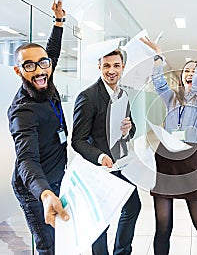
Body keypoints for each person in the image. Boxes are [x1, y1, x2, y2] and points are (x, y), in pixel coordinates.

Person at [141, 37, 197, 255]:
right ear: (180, 76)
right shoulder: (172, 98)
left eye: (194, 71)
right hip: (165, 160)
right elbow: (158, 82)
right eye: (186, 71)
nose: (190, 74)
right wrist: (158, 55)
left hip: (189, 163)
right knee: (163, 227)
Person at [7, 0, 70, 255]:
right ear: (18, 71)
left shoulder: (46, 75)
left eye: (42, 63)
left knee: (62, 238)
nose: (39, 70)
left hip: (55, 176)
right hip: (34, 189)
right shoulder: (23, 111)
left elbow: (51, 52)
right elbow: (26, 159)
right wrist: (44, 194)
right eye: (29, 66)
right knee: (48, 245)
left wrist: (58, 22)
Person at [71, 48, 141, 255]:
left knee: (132, 206)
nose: (112, 70)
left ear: (123, 68)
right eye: (107, 65)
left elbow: (132, 128)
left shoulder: (123, 94)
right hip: (100, 168)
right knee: (100, 219)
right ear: (99, 67)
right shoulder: (88, 97)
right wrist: (100, 157)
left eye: (116, 66)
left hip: (121, 164)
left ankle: (121, 251)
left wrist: (129, 129)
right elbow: (78, 141)